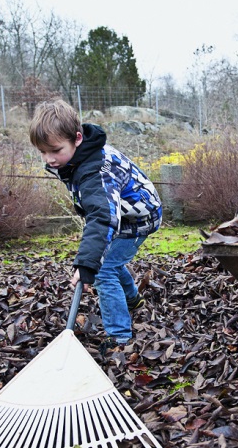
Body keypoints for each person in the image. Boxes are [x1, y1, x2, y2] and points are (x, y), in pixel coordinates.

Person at [29, 99, 162, 350]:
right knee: (110, 261)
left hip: (138, 219)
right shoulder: (79, 156)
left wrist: (88, 264)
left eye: (56, 150)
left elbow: (102, 217)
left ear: (77, 138)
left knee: (103, 269)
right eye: (43, 152)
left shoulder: (97, 169)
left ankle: (119, 337)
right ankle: (133, 300)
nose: (50, 159)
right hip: (121, 215)